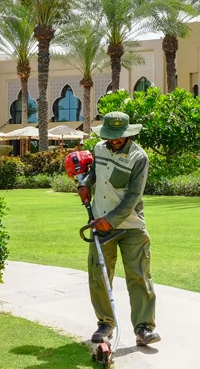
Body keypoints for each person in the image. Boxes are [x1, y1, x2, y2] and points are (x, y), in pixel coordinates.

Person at [78, 111, 160, 347]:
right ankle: (105, 324)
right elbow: (96, 173)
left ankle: (144, 328)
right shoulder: (99, 149)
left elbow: (133, 196)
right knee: (99, 276)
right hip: (99, 224)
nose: (113, 141)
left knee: (139, 276)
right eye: (110, 136)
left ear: (127, 135)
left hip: (131, 226)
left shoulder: (138, 157)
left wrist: (111, 220)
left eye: (118, 137)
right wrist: (86, 183)